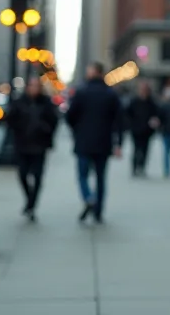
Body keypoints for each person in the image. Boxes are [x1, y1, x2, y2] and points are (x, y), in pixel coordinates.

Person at [65, 62, 123, 224]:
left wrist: (76, 130)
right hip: (104, 143)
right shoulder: (111, 94)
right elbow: (119, 120)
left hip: (83, 141)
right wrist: (118, 143)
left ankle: (89, 198)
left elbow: (70, 116)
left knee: (83, 175)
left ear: (92, 72)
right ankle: (98, 211)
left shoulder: (81, 92)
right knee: (100, 178)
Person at [6, 77, 59, 222]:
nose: (34, 89)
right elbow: (10, 120)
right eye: (32, 86)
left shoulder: (46, 103)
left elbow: (54, 121)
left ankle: (31, 205)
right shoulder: (19, 102)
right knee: (22, 174)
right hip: (22, 144)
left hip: (39, 145)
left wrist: (45, 130)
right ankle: (29, 198)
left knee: (37, 177)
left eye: (37, 86)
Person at [126, 80, 159, 177]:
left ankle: (142, 167)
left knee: (145, 150)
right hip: (136, 130)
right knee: (136, 149)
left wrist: (154, 122)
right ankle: (134, 167)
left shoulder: (151, 102)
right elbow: (128, 113)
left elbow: (156, 114)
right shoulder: (134, 101)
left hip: (147, 131)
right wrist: (130, 124)